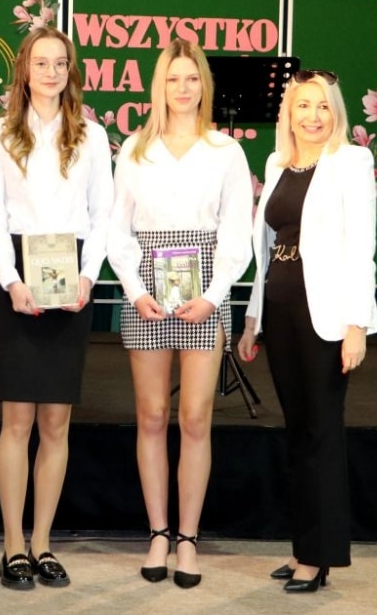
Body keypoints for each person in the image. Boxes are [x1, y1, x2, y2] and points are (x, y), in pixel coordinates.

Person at [106, 38, 254, 589]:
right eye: (173, 78)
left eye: (192, 78)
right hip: (146, 290)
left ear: (204, 85)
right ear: (159, 86)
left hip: (205, 289)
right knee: (151, 416)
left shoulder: (225, 151)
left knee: (194, 418)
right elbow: (118, 229)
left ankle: (188, 539)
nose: (183, 88)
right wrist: (134, 288)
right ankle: (158, 533)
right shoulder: (135, 148)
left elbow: (237, 233)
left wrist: (213, 295)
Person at [0, 26, 113, 590]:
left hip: (72, 275)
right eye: (41, 63)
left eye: (60, 63)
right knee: (17, 421)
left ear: (70, 70)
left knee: (56, 422)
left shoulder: (92, 135)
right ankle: (12, 546)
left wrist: (88, 276)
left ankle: (42, 544)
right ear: (24, 70)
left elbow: (102, 214)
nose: (51, 72)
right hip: (17, 277)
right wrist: (10, 280)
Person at [236, 69, 377, 593]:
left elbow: (362, 247)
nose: (313, 116)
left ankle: (319, 557)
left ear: (335, 112)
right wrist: (252, 318)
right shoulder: (277, 164)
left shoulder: (351, 162)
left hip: (327, 319)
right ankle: (304, 546)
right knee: (298, 433)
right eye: (303, 105)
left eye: (322, 106)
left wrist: (356, 325)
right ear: (288, 113)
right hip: (279, 313)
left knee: (321, 431)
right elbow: (266, 250)